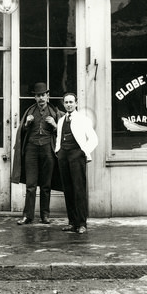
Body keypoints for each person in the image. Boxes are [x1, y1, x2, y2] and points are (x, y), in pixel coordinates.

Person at [11, 81, 63, 225]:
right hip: (31, 150)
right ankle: (28, 216)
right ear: (35, 98)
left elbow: (64, 132)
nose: (41, 98)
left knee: (46, 185)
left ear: (48, 96)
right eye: (38, 96)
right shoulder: (29, 112)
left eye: (43, 95)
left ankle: (45, 215)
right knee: (31, 185)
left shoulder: (55, 113)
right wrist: (27, 125)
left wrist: (54, 125)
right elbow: (21, 133)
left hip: (48, 149)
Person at [54, 91, 98, 234]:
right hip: (64, 157)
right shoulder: (61, 121)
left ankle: (82, 223)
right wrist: (58, 151)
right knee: (68, 189)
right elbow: (59, 137)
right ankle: (72, 222)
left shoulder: (83, 119)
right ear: (63, 104)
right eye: (66, 102)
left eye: (71, 102)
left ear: (76, 103)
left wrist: (83, 151)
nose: (68, 105)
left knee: (78, 189)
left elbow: (94, 139)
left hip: (77, 156)